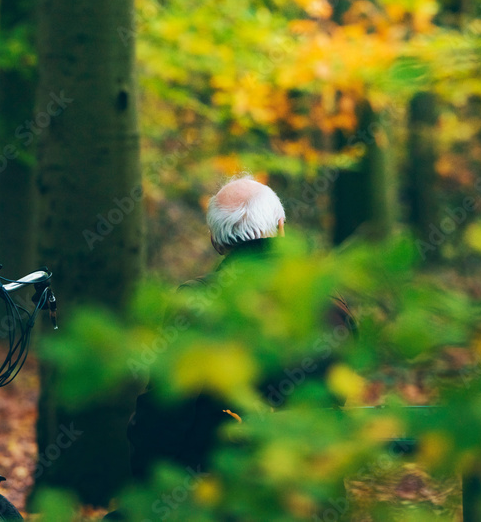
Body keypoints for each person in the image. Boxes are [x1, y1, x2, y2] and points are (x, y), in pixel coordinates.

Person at [125, 174, 357, 482]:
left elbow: (166, 414)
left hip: (222, 490)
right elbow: (340, 391)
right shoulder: (326, 299)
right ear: (282, 228)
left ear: (215, 240)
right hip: (311, 491)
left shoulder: (197, 304)